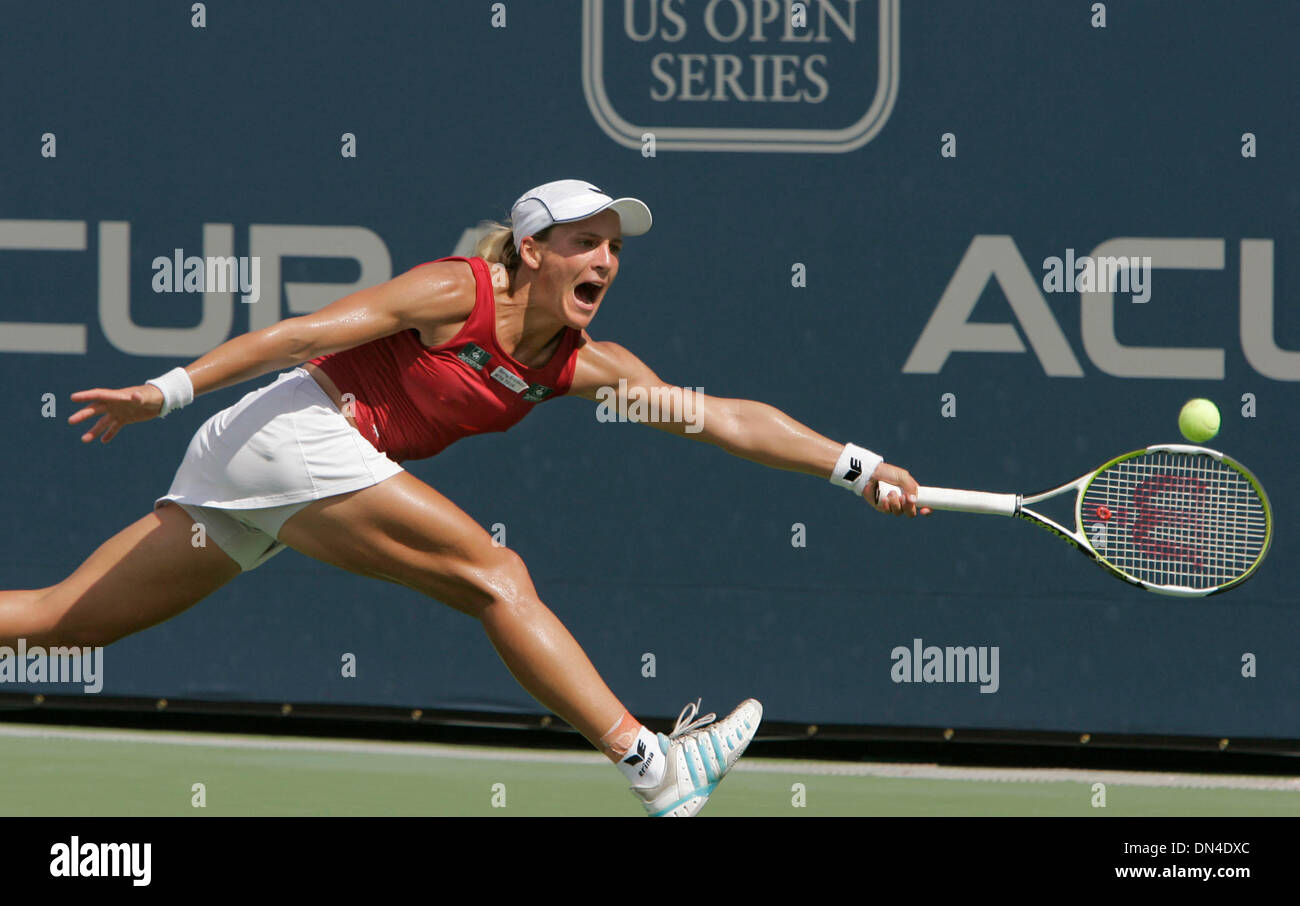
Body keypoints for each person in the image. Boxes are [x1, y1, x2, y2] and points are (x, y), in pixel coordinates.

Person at [1, 179, 929, 817]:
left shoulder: (583, 366)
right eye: (584, 243)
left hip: (265, 470)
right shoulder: (454, 292)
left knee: (57, 623)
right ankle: (655, 768)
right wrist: (160, 393)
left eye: (613, 247)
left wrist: (857, 466)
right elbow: (297, 335)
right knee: (497, 575)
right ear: (532, 250)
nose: (604, 260)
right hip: (288, 431)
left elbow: (722, 419)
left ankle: (654, 771)